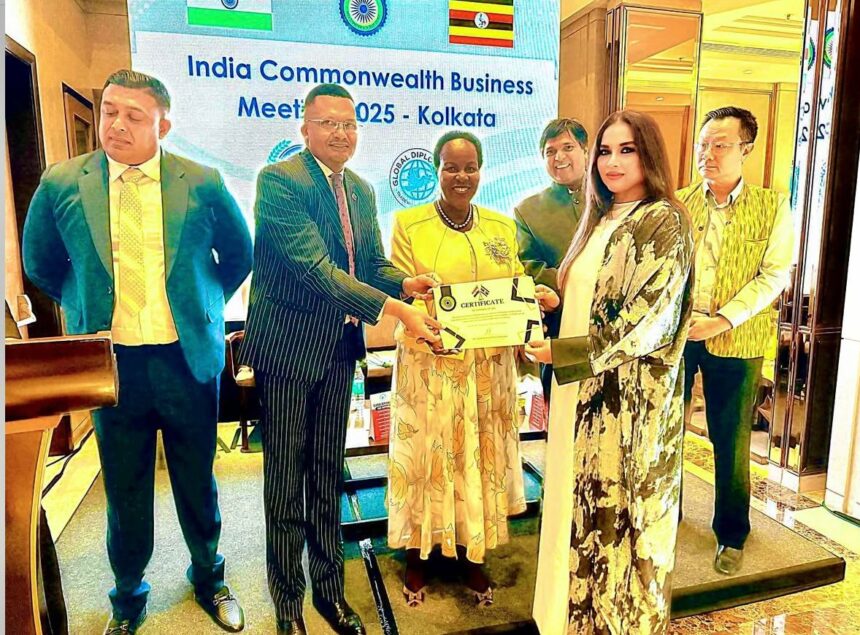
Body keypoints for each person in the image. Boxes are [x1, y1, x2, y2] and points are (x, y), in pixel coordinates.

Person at [22, 69, 252, 635]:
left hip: (185, 360)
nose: (117, 125)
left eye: (134, 116)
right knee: (124, 491)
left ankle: (210, 576)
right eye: (110, 112)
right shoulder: (62, 183)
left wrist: (200, 304)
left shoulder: (202, 181)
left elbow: (239, 255)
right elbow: (41, 264)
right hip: (115, 366)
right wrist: (85, 304)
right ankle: (127, 597)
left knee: (197, 479)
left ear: (162, 126)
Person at [239, 83, 441, 635]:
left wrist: (405, 282)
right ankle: (287, 604)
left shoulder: (361, 189)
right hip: (287, 349)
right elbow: (315, 270)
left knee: (328, 475)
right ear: (304, 128)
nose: (341, 133)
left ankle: (330, 593)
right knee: (286, 482)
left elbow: (368, 262)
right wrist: (397, 310)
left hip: (337, 348)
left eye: (349, 124)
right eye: (328, 123)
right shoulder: (279, 180)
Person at [525, 110, 693, 634]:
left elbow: (648, 321)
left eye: (627, 150)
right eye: (605, 150)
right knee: (570, 509)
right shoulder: (600, 217)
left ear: (649, 155)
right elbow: (596, 299)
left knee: (621, 527)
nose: (612, 162)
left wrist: (562, 353)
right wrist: (557, 301)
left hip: (628, 406)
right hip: (579, 394)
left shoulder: (662, 220)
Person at [386, 131, 527, 609]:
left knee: (477, 458)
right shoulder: (409, 224)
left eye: (470, 167)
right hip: (432, 366)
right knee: (427, 457)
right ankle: (418, 550)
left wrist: (533, 301)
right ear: (437, 170)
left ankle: (471, 550)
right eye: (450, 167)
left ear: (481, 170)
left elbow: (514, 288)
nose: (460, 176)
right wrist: (425, 320)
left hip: (486, 370)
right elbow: (403, 291)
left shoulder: (502, 227)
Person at [677, 106, 793, 575]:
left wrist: (722, 320)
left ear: (746, 149)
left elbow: (774, 275)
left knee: (731, 440)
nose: (707, 154)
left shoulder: (772, 206)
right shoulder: (678, 203)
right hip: (678, 337)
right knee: (666, 431)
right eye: (703, 144)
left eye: (720, 145)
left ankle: (731, 534)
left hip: (738, 337)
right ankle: (667, 514)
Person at [514, 118, 589, 404]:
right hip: (559, 327)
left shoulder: (612, 199)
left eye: (568, 147)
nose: (559, 157)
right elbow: (529, 267)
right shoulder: (528, 210)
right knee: (560, 412)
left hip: (611, 327)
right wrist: (575, 288)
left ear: (585, 150)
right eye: (550, 151)